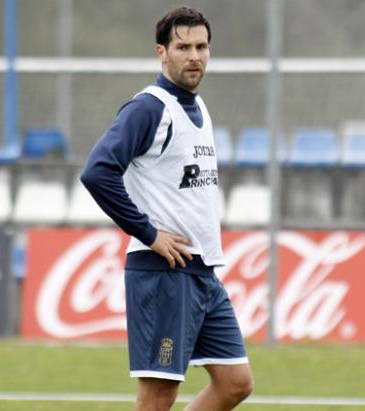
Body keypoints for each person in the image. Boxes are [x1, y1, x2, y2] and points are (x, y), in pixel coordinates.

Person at [80, 6, 253, 411]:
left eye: (202, 46)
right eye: (183, 46)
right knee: (158, 398)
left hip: (202, 271)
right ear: (162, 52)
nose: (194, 55)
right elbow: (97, 172)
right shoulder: (149, 107)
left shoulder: (199, 106)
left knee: (235, 383)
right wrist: (149, 233)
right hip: (163, 273)